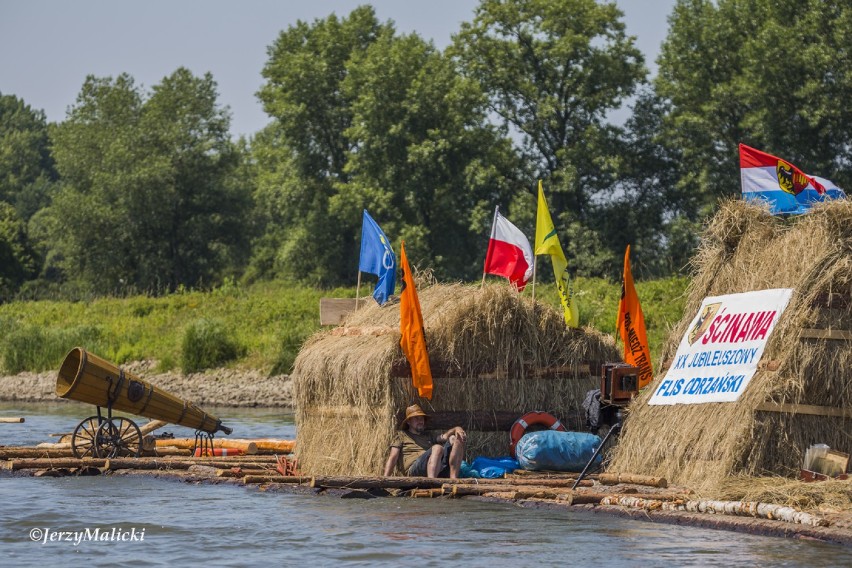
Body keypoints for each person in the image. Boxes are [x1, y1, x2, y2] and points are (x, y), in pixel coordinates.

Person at [383, 404, 466, 478]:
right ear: (408, 421)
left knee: (454, 439)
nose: (420, 421)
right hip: (414, 470)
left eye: (421, 418)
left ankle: (453, 479)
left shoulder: (428, 435)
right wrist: (385, 480)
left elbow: (444, 437)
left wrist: (457, 428)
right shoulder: (401, 435)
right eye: (416, 418)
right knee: (437, 448)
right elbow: (393, 457)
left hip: (435, 467)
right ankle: (431, 482)